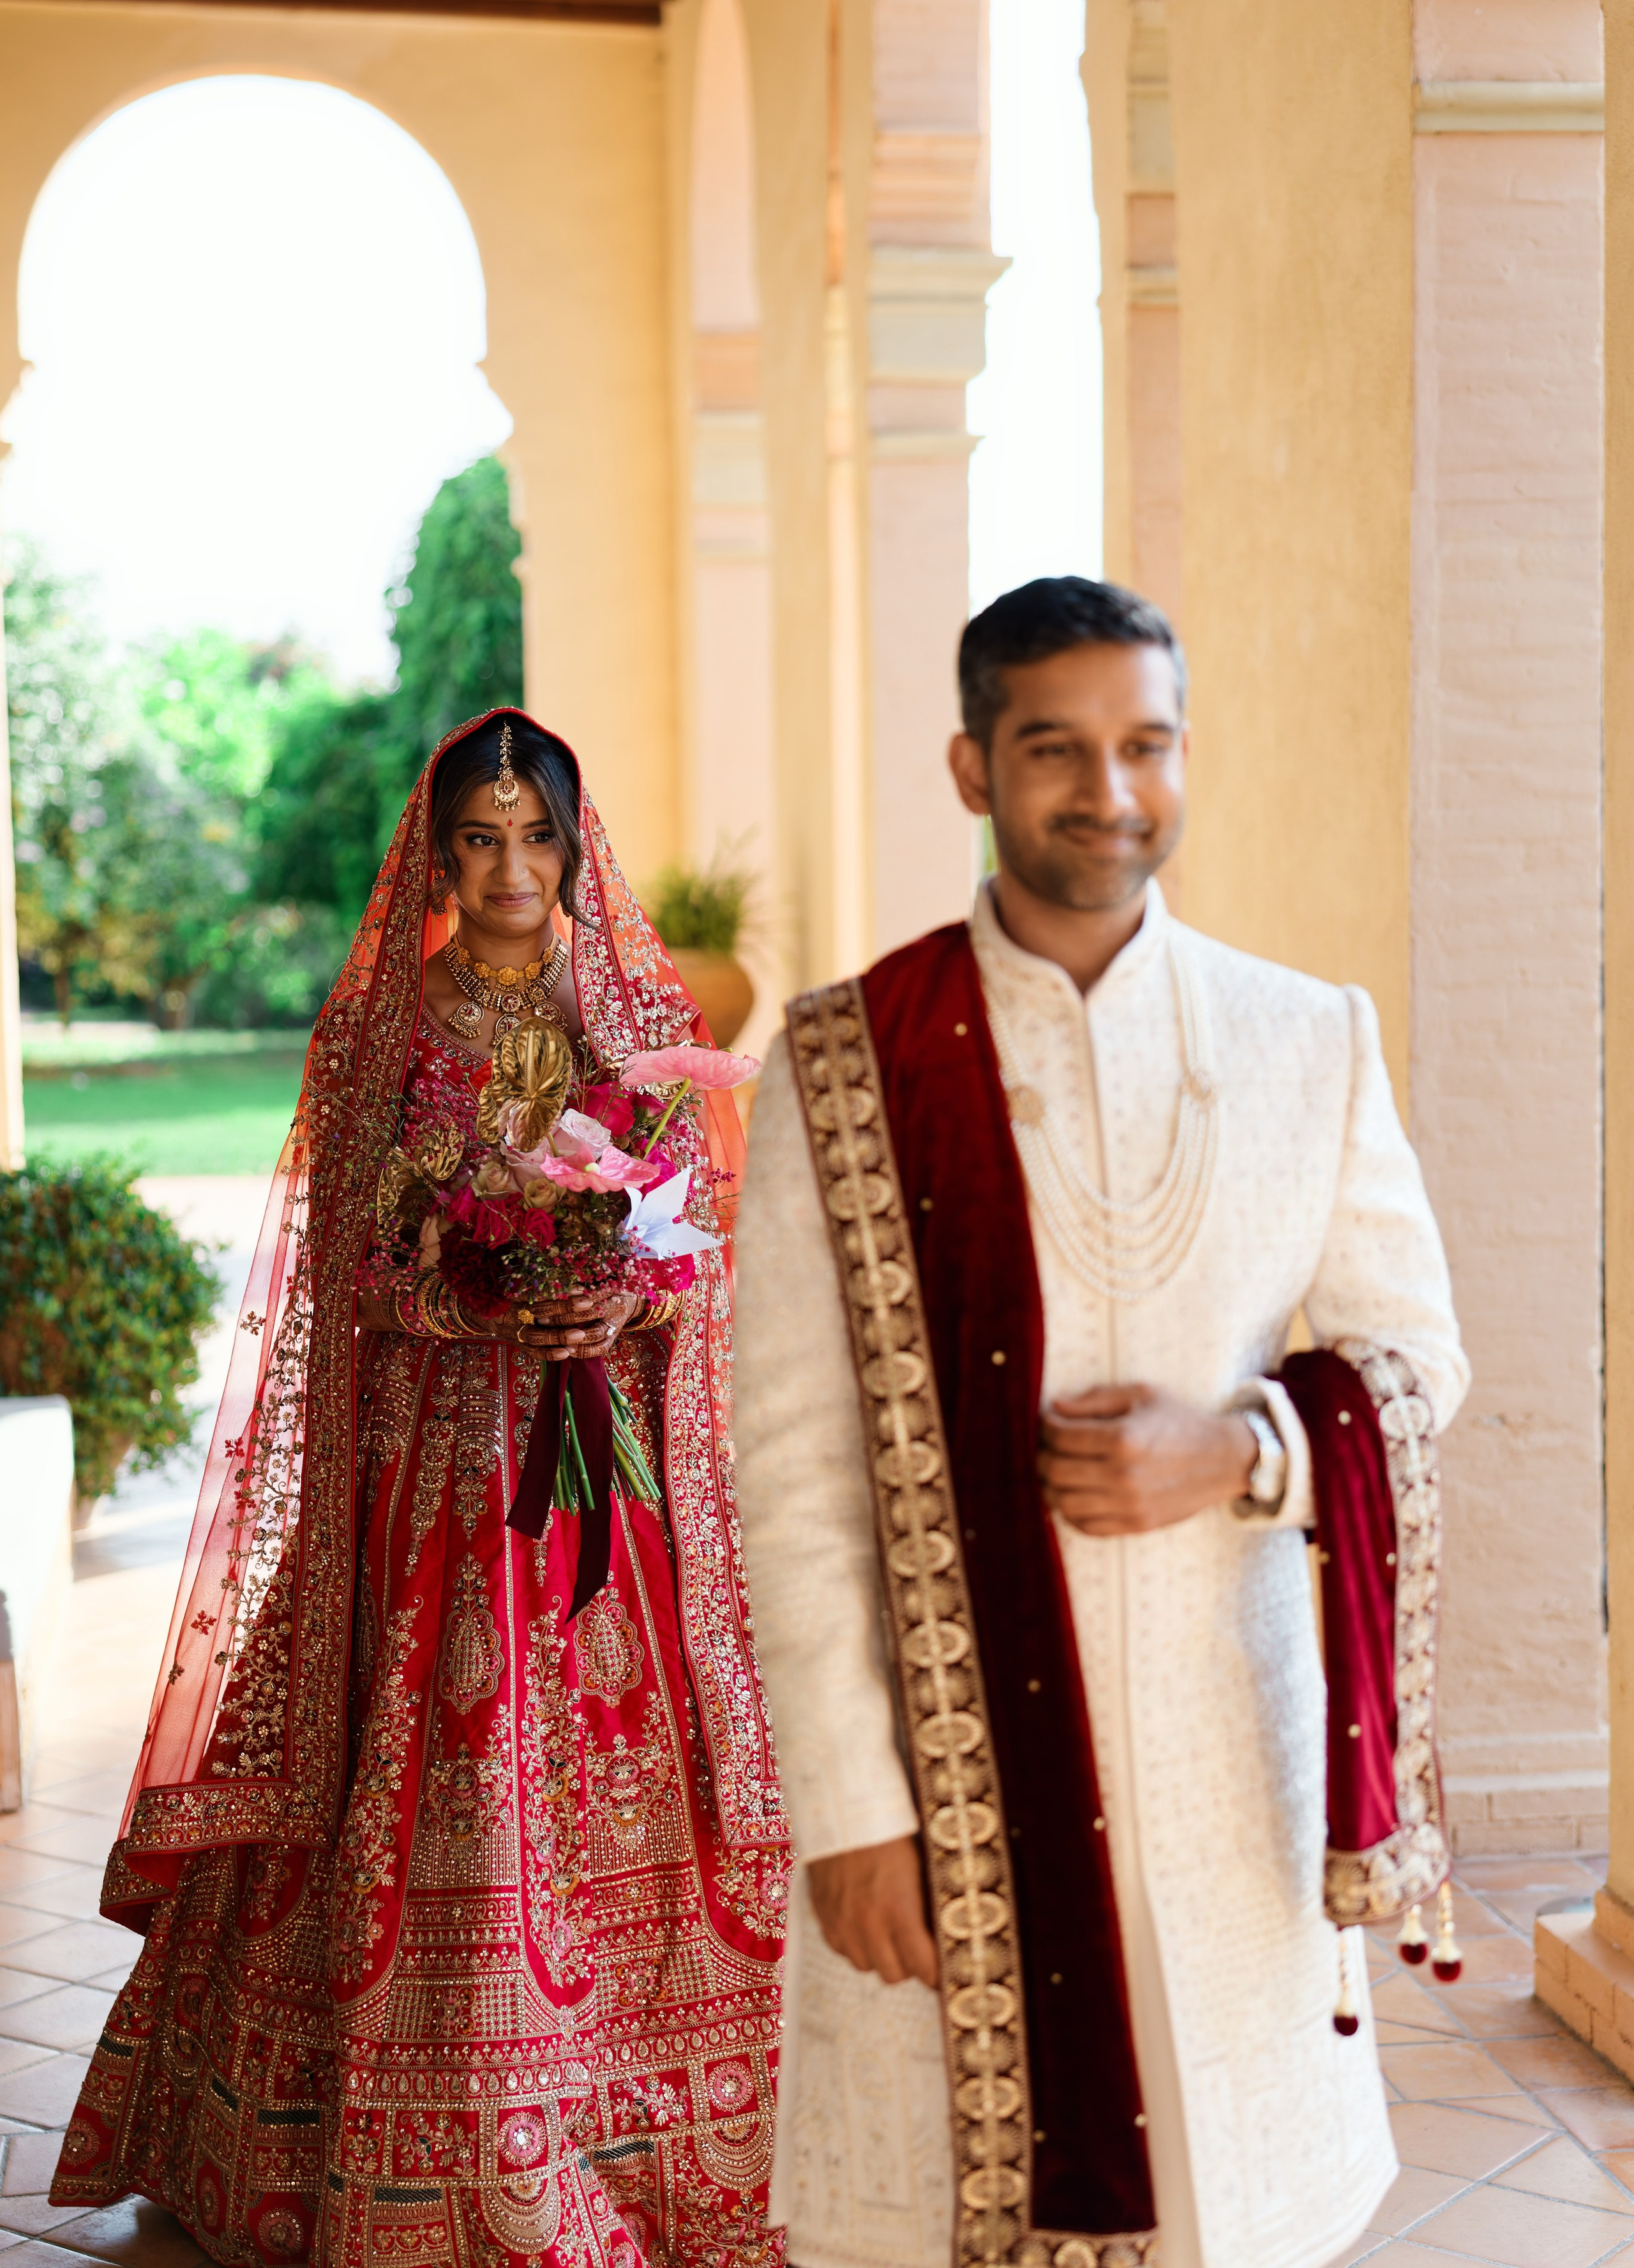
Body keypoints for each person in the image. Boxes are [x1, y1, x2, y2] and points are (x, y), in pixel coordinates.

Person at [732, 580, 1469, 2268]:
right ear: (971, 768)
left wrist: (1249, 1448)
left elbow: (1414, 1353)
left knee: (1238, 2207)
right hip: (955, 1767)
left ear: (1185, 756)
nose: (1109, 790)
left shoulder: (1309, 1038)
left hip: (1238, 1756)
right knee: (946, 2212)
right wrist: (852, 1811)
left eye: (1145, 744)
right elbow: (788, 1471)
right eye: (1055, 747)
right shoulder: (849, 1060)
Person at [53, 710, 790, 2268]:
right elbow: (348, 1268)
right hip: (439, 1472)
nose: (512, 866)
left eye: (536, 835)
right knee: (432, 1747)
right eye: (479, 836)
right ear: (438, 851)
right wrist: (483, 1292)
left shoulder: (640, 1006)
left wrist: (624, 1295)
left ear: (577, 844)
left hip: (610, 1475)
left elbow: (705, 1244)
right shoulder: (382, 1029)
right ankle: (391, 2138)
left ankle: (641, 2147)